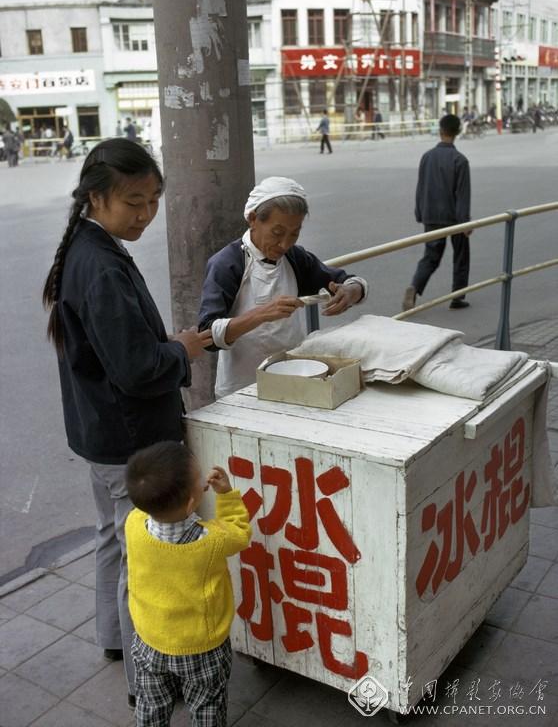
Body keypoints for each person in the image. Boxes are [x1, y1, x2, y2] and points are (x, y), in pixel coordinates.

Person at [42, 138, 213, 708]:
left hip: (99, 434)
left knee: (112, 542)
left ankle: (114, 640)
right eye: (133, 203)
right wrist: (182, 350)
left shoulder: (87, 248)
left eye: (154, 200)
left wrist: (158, 346)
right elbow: (139, 370)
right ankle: (151, 675)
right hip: (128, 440)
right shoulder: (100, 265)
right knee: (139, 559)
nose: (145, 214)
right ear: (97, 198)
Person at [199, 176, 368, 398]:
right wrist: (260, 314)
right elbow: (207, 335)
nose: (285, 244)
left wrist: (351, 291)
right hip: (242, 387)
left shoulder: (295, 258)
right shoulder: (227, 264)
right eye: (277, 233)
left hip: (294, 378)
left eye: (294, 234)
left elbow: (348, 281)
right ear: (253, 219)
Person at [125, 441, 251, 727]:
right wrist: (227, 495)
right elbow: (241, 532)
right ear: (193, 502)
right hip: (202, 648)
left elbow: (148, 509)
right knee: (207, 706)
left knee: (151, 704)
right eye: (199, 479)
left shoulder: (133, 523)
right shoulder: (212, 540)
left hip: (149, 641)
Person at [402, 114, 472, 312]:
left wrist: (420, 213)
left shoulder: (427, 157)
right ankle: (457, 297)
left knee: (431, 257)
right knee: (461, 256)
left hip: (431, 215)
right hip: (454, 218)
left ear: (440, 131)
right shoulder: (460, 160)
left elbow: (421, 187)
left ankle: (414, 287)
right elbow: (462, 195)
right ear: (457, 132)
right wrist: (465, 222)